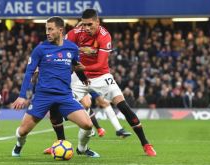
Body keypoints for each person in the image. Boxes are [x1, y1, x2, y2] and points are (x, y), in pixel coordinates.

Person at [64, 9, 156, 156]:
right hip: (78, 76)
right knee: (57, 103)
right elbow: (62, 49)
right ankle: (63, 143)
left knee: (123, 105)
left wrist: (83, 65)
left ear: (97, 22)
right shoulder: (75, 33)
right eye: (84, 24)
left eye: (90, 25)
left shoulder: (104, 36)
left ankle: (146, 144)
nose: (87, 28)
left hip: (101, 76)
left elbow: (100, 64)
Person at [11, 16, 100, 158]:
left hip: (64, 96)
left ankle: (82, 149)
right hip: (43, 97)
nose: (47, 32)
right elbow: (29, 72)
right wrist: (22, 96)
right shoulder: (40, 49)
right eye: (46, 29)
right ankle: (18, 146)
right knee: (22, 131)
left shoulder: (72, 48)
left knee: (88, 125)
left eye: (50, 29)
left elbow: (75, 65)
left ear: (60, 30)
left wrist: (84, 78)